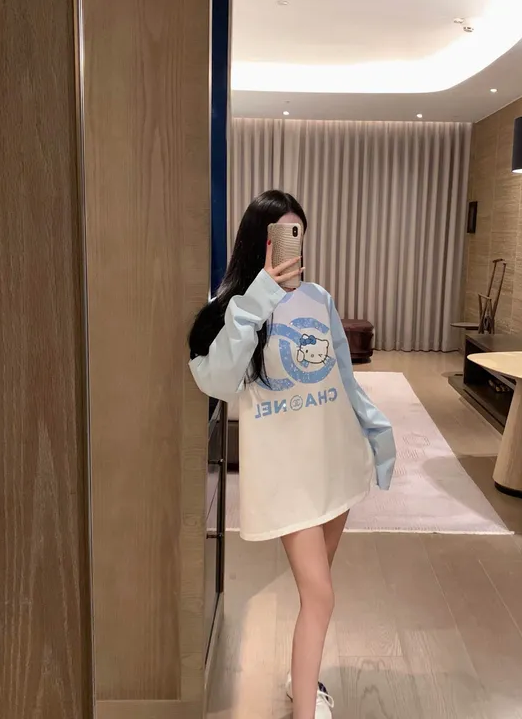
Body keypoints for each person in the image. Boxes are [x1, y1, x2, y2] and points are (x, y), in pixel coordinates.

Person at [188, 190, 395, 719]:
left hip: (334, 460)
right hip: (288, 476)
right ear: (257, 242)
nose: (288, 246)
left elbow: (343, 377)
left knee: (314, 593)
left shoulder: (319, 299)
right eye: (279, 235)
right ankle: (306, 706)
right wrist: (260, 294)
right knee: (321, 595)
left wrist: (376, 432)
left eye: (296, 235)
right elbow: (218, 380)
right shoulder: (234, 310)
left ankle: (302, 681)